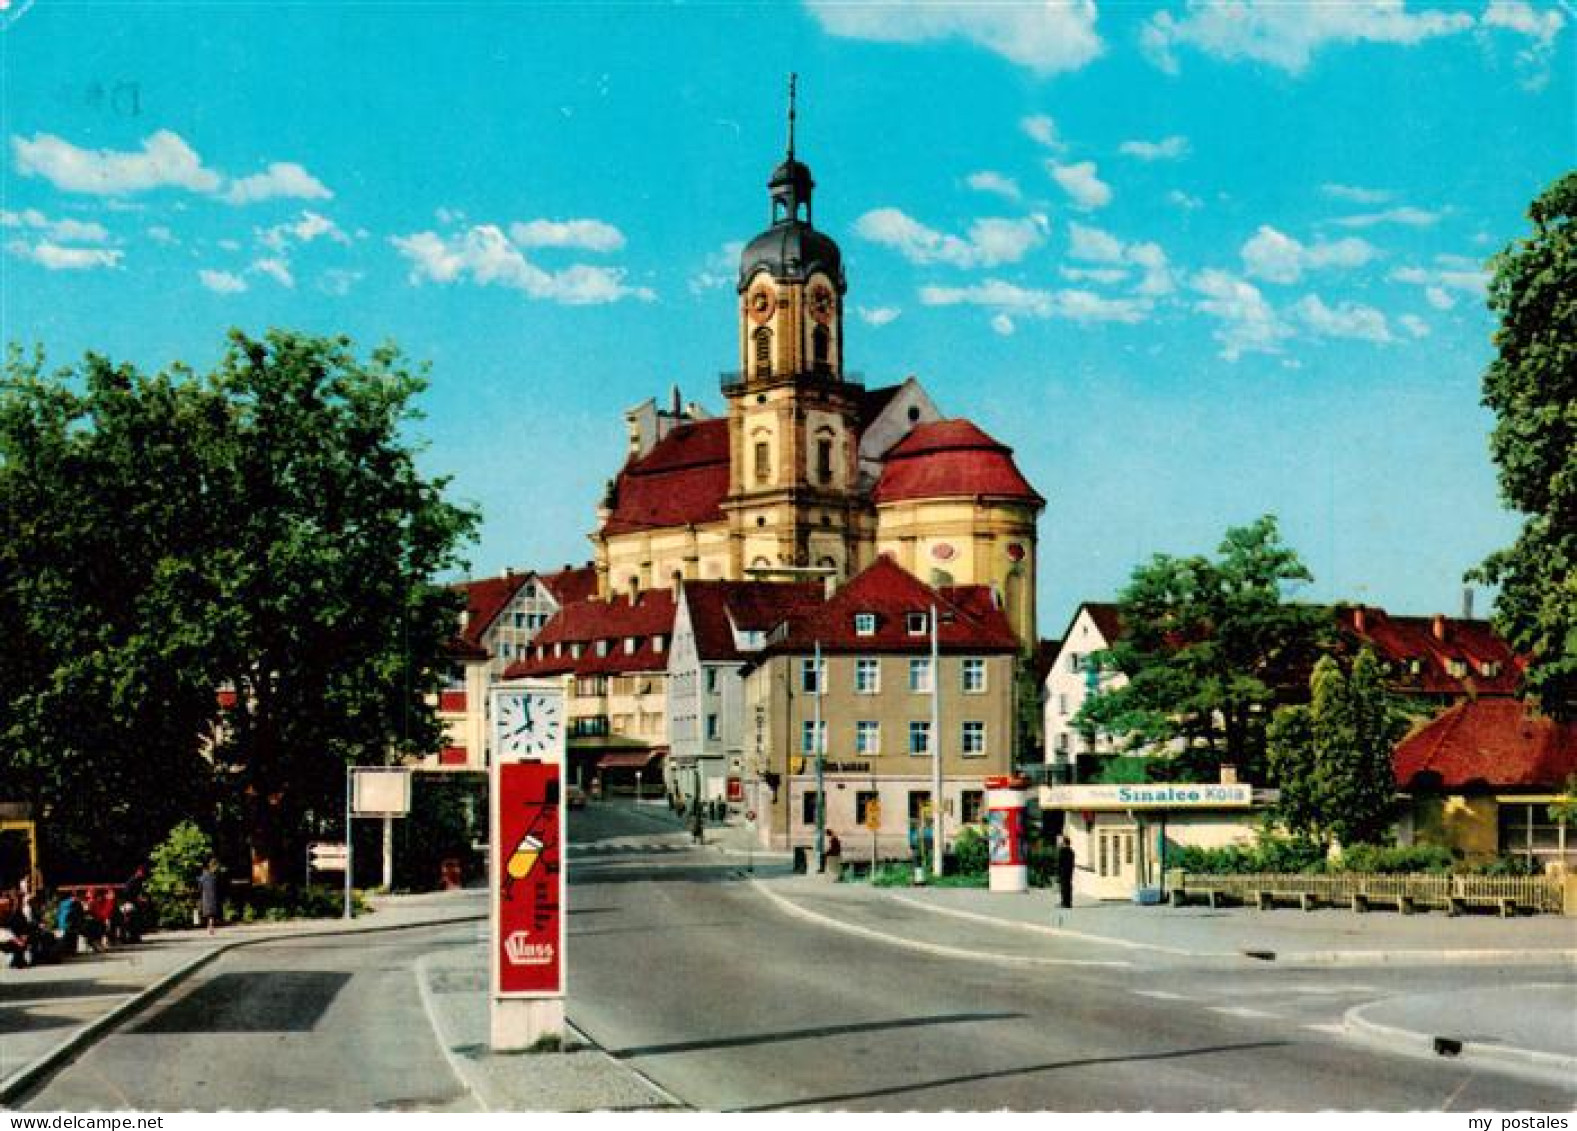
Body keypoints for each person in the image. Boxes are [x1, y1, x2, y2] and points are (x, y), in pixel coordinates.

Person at [197, 859, 223, 935]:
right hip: (213, 897)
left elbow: (199, 888)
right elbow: (218, 887)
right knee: (211, 914)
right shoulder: (214, 877)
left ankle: (209, 927)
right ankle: (210, 927)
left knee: (208, 914)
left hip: (205, 897)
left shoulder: (202, 878)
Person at [1057, 836, 1076, 909]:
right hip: (1069, 871)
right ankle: (1069, 902)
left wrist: (1059, 871)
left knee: (1063, 887)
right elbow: (1072, 863)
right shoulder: (1071, 852)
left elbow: (1060, 862)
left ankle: (1064, 902)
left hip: (1063, 871)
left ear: (1064, 843)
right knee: (1069, 886)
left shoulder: (1062, 851)